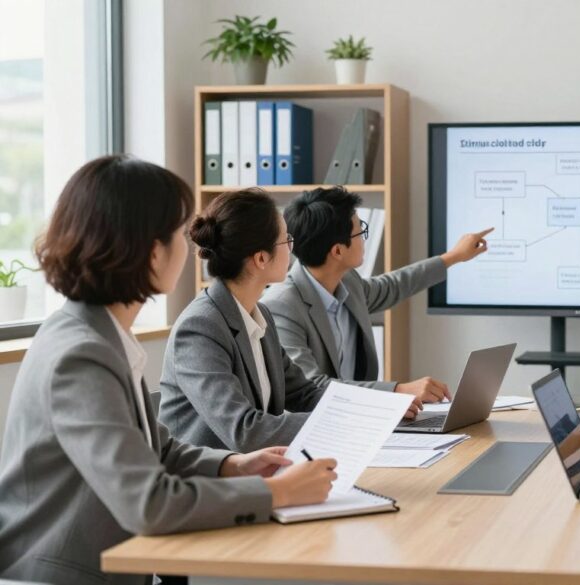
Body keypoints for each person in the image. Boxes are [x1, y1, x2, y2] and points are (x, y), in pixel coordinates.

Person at [0, 157, 335, 585]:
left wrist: (235, 465)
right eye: (180, 233)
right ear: (152, 251)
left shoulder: (101, 335)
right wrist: (278, 493)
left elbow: (159, 451)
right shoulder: (80, 354)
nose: (192, 246)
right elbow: (148, 503)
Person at [159, 188, 403, 454]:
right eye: (286, 240)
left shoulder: (260, 316)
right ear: (261, 258)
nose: (293, 248)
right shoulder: (200, 328)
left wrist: (383, 408)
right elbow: (245, 430)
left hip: (258, 474)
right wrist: (348, 423)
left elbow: (305, 394)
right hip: (209, 485)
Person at [261, 186, 491, 402]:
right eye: (359, 230)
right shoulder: (281, 306)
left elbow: (395, 285)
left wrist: (454, 257)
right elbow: (311, 388)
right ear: (338, 251)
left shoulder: (348, 283)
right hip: (312, 430)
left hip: (359, 421)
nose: (363, 235)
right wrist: (397, 391)